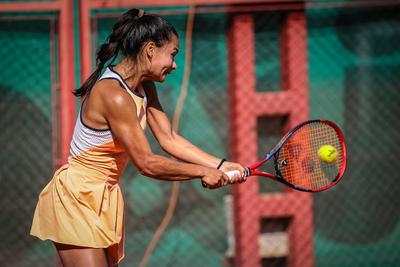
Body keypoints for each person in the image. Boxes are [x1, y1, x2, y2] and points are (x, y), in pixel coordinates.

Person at [30, 8, 245, 267]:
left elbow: (170, 138)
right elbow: (146, 163)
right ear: (151, 49)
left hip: (103, 197)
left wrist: (219, 165)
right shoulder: (114, 94)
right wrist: (201, 172)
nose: (175, 65)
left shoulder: (144, 87)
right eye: (173, 54)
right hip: (76, 197)